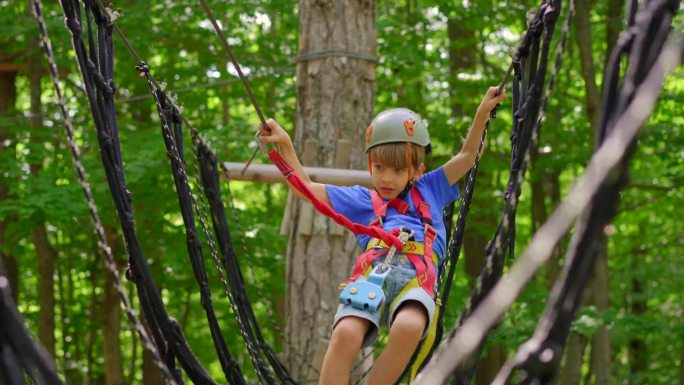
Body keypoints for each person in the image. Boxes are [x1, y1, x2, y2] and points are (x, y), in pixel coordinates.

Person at [259, 86, 506, 385]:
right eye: (379, 168)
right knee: (346, 333)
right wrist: (285, 146)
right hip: (374, 273)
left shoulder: (431, 189)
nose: (386, 178)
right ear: (369, 165)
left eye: (398, 170)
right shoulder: (363, 201)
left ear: (417, 169)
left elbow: (468, 156)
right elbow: (306, 190)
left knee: (409, 326)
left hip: (417, 277)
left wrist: (482, 114)